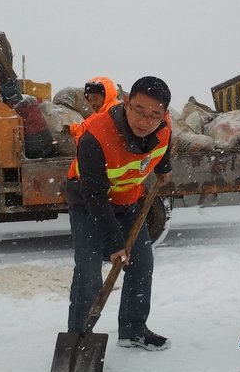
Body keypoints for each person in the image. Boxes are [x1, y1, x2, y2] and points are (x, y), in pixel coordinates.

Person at [65, 76, 173, 350]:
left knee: (142, 265)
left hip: (129, 201)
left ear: (164, 115)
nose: (145, 121)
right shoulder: (95, 136)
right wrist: (115, 244)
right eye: (139, 110)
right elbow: (95, 197)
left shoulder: (164, 127)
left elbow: (164, 143)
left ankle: (133, 329)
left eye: (154, 115)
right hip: (88, 204)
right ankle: (78, 338)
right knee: (89, 274)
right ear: (126, 102)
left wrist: (164, 167)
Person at [68, 76, 121, 143]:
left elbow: (85, 129)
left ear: (106, 95)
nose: (93, 103)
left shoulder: (109, 112)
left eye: (95, 98)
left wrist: (70, 128)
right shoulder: (113, 107)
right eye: (90, 100)